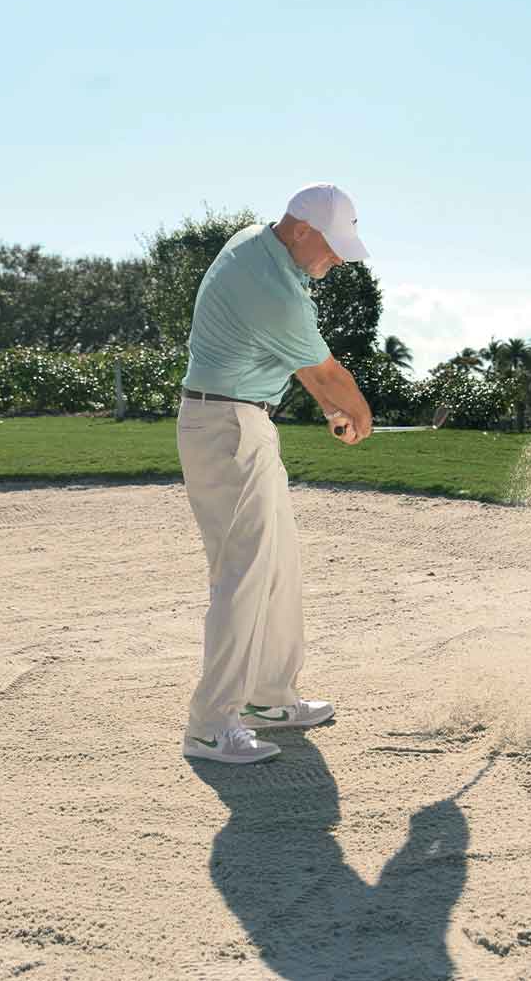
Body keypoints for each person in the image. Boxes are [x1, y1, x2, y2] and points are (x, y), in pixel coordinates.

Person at [177, 183, 374, 765]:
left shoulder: (258, 249)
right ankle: (212, 724)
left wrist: (334, 405)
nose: (337, 261)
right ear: (301, 229)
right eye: (333, 248)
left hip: (241, 421)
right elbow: (325, 375)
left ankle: (268, 697)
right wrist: (357, 412)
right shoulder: (271, 287)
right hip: (228, 429)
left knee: (278, 563)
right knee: (243, 573)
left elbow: (293, 363)